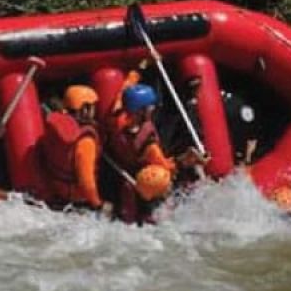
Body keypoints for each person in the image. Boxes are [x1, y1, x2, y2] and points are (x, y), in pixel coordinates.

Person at [105, 83, 203, 223]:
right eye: (150, 106)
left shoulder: (117, 121)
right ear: (140, 111)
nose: (153, 108)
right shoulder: (149, 145)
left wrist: (135, 74)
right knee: (164, 177)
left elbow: (121, 95)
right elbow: (167, 168)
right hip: (145, 184)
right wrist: (186, 160)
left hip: (125, 177)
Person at [40, 85, 109, 214]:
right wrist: (98, 204)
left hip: (56, 192)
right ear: (85, 109)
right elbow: (86, 181)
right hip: (77, 200)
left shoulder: (55, 127)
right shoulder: (85, 141)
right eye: (93, 106)